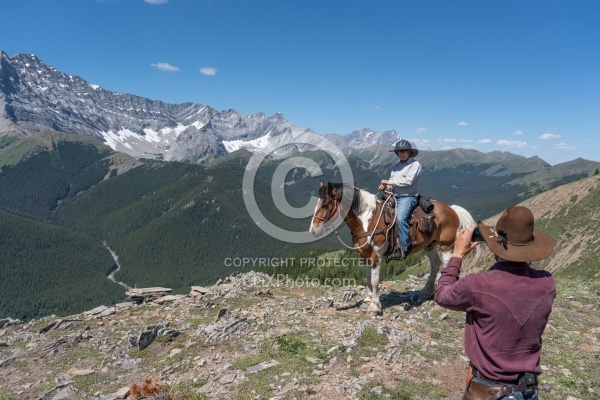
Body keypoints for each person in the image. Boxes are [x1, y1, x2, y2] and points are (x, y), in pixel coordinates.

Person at [435, 206, 556, 400]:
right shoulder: (547, 283)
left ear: (495, 244)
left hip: (488, 390)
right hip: (528, 389)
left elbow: (442, 295)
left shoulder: (477, 284)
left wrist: (456, 255)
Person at [378, 139, 421, 260]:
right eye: (399, 152)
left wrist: (388, 181)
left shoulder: (415, 165)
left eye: (404, 151)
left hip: (408, 196)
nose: (401, 154)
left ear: (409, 152)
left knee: (401, 218)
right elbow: (393, 183)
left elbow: (408, 181)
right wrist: (385, 186)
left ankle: (404, 246)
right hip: (393, 195)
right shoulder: (396, 166)